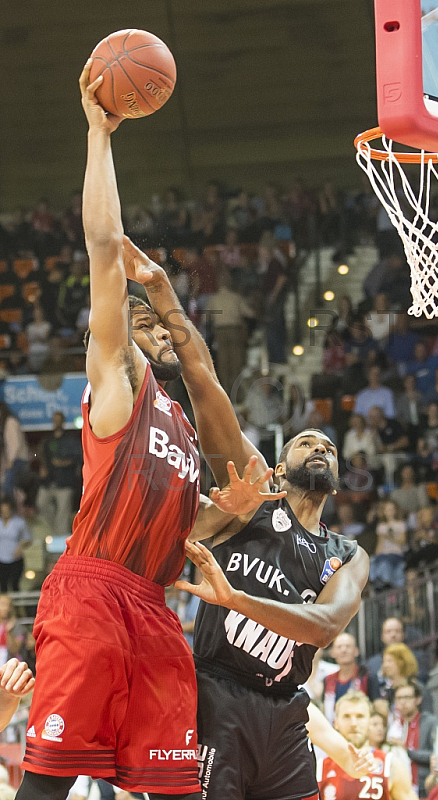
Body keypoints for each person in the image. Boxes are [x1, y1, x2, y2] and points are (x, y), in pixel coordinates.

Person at [16, 64, 279, 800]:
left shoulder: (184, 432)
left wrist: (232, 507)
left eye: (156, 319)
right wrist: (99, 137)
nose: (150, 325)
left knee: (174, 792)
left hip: (156, 607)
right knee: (48, 786)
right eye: (135, 320)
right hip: (91, 597)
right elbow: (106, 249)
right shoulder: (116, 384)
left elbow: (181, 530)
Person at [178, 428, 370, 800]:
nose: (320, 448)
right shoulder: (251, 505)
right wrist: (194, 366)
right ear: (279, 470)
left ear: (333, 485)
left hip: (285, 707)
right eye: (307, 442)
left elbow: (326, 626)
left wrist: (236, 600)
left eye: (329, 447)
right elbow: (214, 414)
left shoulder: (348, 554)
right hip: (217, 693)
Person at [317, 690, 418, 800]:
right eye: (346, 716)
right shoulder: (320, 768)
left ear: (370, 722)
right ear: (335, 723)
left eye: (360, 716)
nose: (353, 723)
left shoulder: (391, 765)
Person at [387, 679, 437, 797]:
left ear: (418, 700)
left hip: (423, 787)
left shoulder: (429, 722)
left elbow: (435, 755)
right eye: (399, 698)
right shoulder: (394, 725)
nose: (403, 702)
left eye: (407, 697)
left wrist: (408, 752)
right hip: (399, 788)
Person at [37, 411, 82, 537]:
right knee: (41, 504)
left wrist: (64, 462)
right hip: (49, 481)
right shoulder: (48, 439)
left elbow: (79, 458)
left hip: (65, 481)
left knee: (63, 512)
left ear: (63, 421)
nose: (56, 422)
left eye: (58, 419)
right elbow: (42, 455)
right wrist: (43, 467)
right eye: (54, 419)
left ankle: (61, 540)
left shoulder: (70, 439)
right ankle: (55, 531)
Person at [323, 633, 370, 723]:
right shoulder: (327, 680)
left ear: (356, 651)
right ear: (332, 652)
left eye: (348, 646)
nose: (343, 650)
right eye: (339, 647)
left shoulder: (366, 677)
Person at [0, 498, 31, 592]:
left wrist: (20, 548)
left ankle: (17, 606)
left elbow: (27, 538)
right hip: (1, 558)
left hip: (15, 558)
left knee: (15, 584)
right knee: (3, 585)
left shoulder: (19, 522)